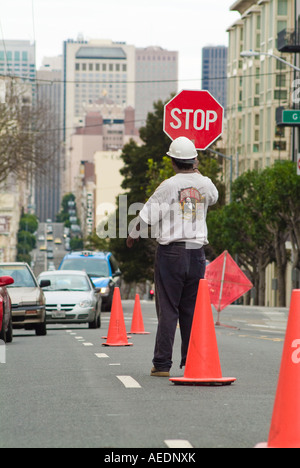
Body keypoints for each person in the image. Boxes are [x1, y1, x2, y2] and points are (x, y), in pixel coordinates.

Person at [126, 137, 219, 377]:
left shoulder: (168, 186)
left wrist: (132, 234)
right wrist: (198, 172)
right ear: (194, 160)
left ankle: (162, 364)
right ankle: (192, 361)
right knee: (190, 309)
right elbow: (215, 197)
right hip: (196, 253)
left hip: (172, 253)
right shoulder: (205, 183)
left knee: (168, 308)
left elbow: (146, 216)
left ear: (172, 162)